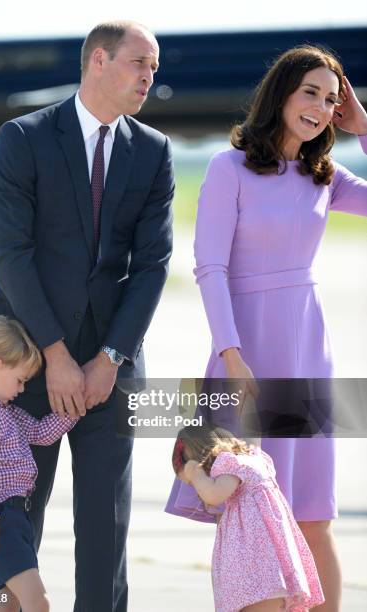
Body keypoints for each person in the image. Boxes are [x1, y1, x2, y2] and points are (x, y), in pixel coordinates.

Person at [166, 44, 367, 611]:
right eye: (311, 93)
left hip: (307, 351)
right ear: (281, 93)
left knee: (311, 513)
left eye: (332, 99)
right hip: (246, 349)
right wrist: (230, 353)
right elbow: (211, 265)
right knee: (248, 506)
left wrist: (363, 126)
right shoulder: (228, 167)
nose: (322, 107)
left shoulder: (324, 176)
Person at [0, 19, 173, 612]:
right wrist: (58, 357)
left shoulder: (154, 150)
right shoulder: (24, 136)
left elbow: (152, 264)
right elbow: (14, 256)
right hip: (25, 360)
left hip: (110, 370)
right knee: (14, 523)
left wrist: (109, 359)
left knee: (105, 528)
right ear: (97, 60)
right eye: (140, 63)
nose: (149, 77)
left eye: (154, 68)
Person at [0, 315, 79, 612]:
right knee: (37, 603)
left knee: (4, 604)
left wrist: (76, 404)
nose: (21, 389)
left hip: (12, 517)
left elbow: (39, 433)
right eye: (19, 380)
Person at [173, 424, 325, 611]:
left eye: (191, 484)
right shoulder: (255, 459)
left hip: (257, 568)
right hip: (272, 565)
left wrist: (196, 475)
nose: (197, 488)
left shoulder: (231, 463)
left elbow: (213, 495)